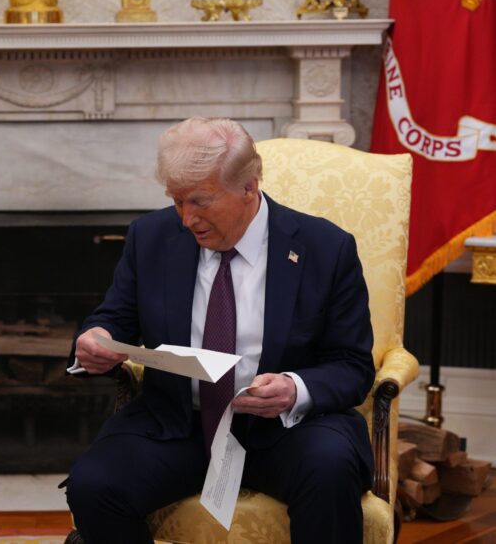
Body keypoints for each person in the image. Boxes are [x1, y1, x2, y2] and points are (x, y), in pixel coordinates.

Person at [63, 117, 375, 543]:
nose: (187, 218)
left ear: (249, 186)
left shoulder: (325, 248)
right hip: (179, 423)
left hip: (287, 429)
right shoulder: (150, 237)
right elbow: (114, 318)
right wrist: (95, 340)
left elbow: (352, 365)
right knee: (94, 485)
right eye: (176, 201)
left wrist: (293, 388)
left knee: (331, 469)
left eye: (200, 201)